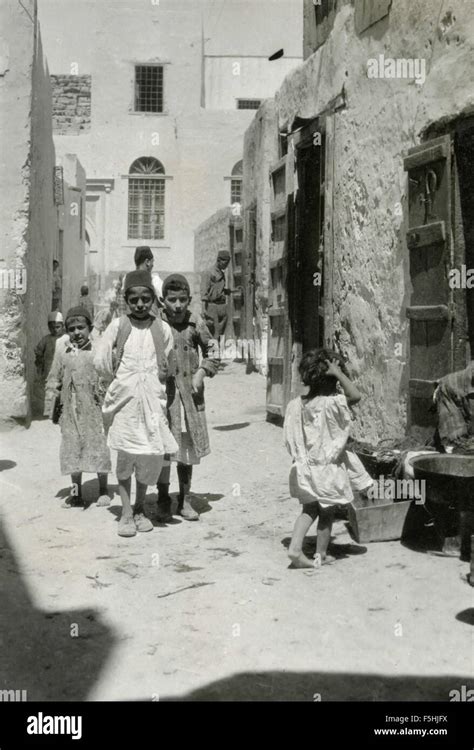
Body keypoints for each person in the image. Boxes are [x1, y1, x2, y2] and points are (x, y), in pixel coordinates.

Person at [94, 270, 178, 538]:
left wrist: (155, 385)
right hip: (125, 403)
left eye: (145, 299)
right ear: (125, 300)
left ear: (153, 299)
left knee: (147, 455)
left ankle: (141, 507)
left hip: (151, 402)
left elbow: (166, 363)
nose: (140, 305)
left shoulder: (162, 328)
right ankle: (126, 513)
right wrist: (118, 380)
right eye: (134, 300)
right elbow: (101, 359)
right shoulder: (118, 326)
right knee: (126, 456)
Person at [283, 348, 372, 569]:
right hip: (325, 470)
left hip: (303, 467)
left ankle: (295, 548)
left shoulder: (296, 405)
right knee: (326, 512)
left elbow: (290, 438)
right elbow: (356, 396)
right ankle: (320, 554)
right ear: (330, 380)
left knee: (308, 509)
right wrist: (339, 373)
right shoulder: (330, 404)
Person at [156, 274, 220, 522]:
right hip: (165, 398)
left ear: (189, 299)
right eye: (172, 300)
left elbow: (213, 350)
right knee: (163, 450)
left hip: (189, 399)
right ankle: (162, 498)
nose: (178, 305)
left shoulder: (196, 323)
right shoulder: (157, 325)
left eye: (183, 299)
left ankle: (184, 498)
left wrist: (202, 372)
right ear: (163, 301)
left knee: (185, 448)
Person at [46, 306, 111, 509]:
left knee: (98, 447)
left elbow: (107, 376)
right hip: (70, 409)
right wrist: (52, 401)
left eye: (81, 328)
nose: (76, 333)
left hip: (94, 408)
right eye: (71, 328)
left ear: (90, 328)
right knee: (72, 451)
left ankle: (103, 491)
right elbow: (53, 378)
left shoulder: (98, 350)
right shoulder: (62, 352)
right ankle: (76, 494)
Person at [34, 311, 70, 416]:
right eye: (52, 327)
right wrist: (39, 365)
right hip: (50, 370)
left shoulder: (66, 338)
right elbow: (38, 352)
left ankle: (63, 412)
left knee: (63, 391)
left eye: (58, 327)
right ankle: (49, 412)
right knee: (50, 392)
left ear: (62, 326)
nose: (55, 330)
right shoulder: (46, 339)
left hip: (64, 370)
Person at [200, 250, 232, 338]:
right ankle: (212, 351)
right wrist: (203, 309)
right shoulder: (208, 273)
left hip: (222, 306)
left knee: (222, 334)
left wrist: (226, 291)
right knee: (213, 334)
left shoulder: (221, 273)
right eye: (225, 263)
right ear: (218, 260)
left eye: (227, 263)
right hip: (212, 307)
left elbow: (217, 289)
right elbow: (204, 292)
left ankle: (218, 350)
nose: (226, 266)